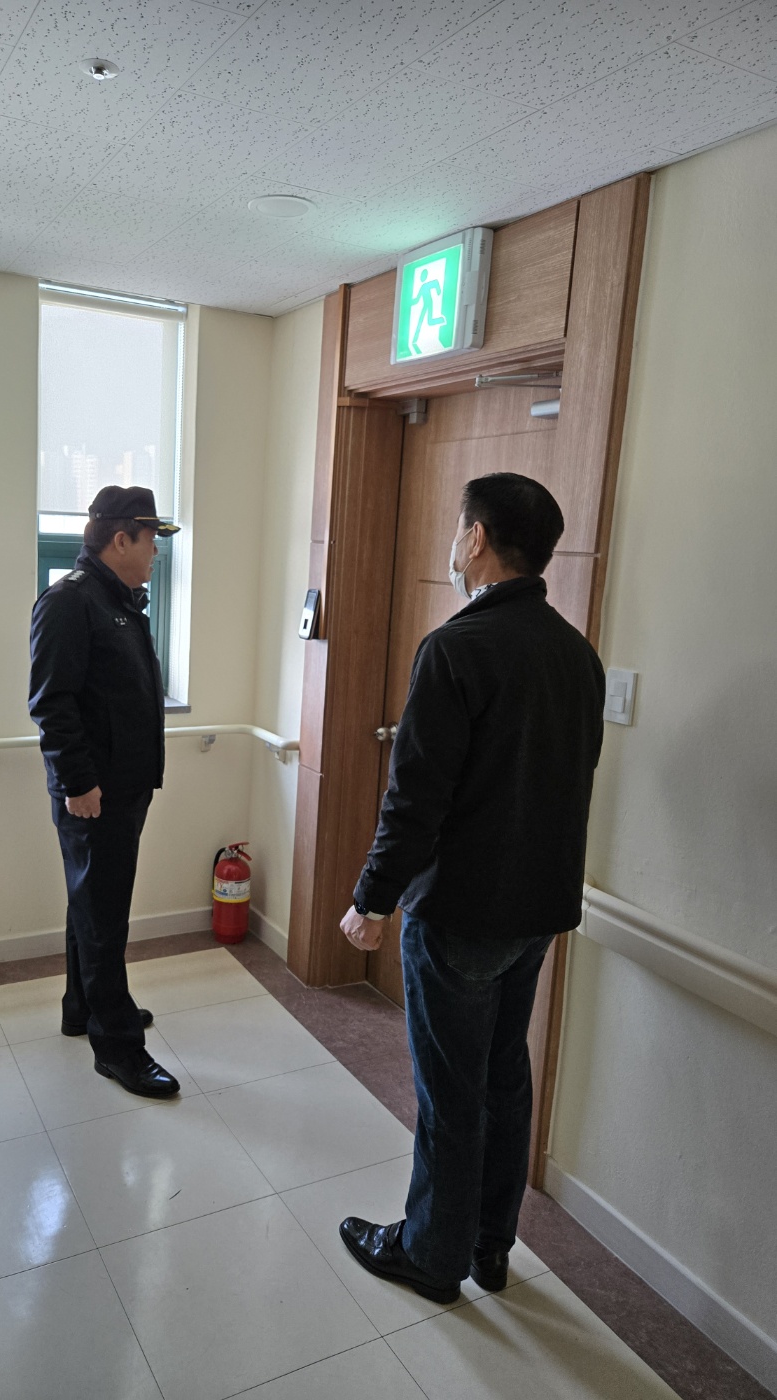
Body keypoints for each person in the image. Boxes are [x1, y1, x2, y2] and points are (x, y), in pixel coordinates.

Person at [337, 473, 605, 1305]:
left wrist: (372, 898)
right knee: (503, 1079)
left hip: (460, 914)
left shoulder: (455, 649)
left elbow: (415, 799)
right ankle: (491, 1244)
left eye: (459, 530)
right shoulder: (577, 656)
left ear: (477, 538)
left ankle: (430, 1254)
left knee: (451, 1092)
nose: (454, 545)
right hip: (537, 912)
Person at [29, 485, 181, 1099]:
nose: (156, 553)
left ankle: (83, 1006)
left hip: (121, 786)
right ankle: (118, 1046)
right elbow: (52, 702)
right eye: (151, 541)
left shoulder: (117, 600)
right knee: (104, 915)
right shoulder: (71, 601)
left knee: (90, 903)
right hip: (95, 792)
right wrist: (78, 782)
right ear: (121, 539)